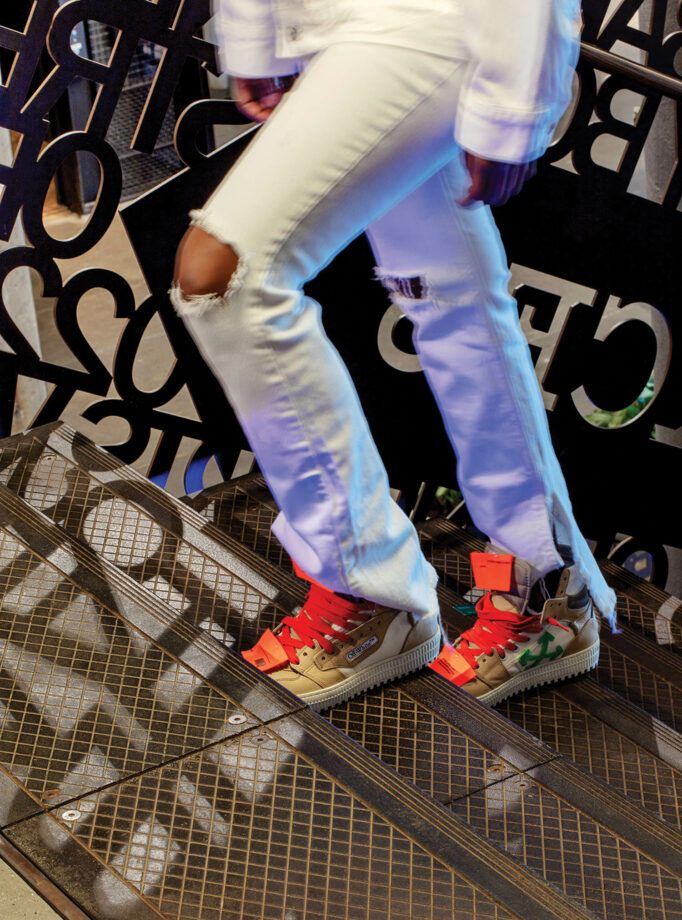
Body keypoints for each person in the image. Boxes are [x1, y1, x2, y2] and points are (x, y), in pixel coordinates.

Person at [172, 0, 616, 709]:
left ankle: (367, 590)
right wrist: (256, 29)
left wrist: (515, 101)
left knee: (225, 278)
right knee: (453, 303)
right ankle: (544, 593)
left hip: (433, 21)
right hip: (335, 28)